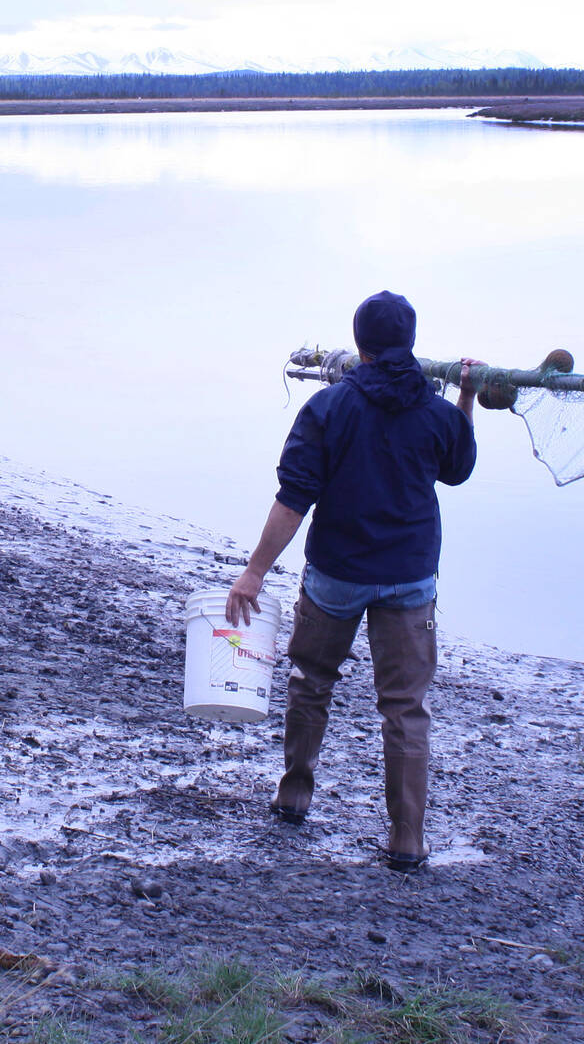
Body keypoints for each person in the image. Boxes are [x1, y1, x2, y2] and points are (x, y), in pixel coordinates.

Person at [225, 290, 478, 872]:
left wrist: (254, 572)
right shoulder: (436, 412)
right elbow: (458, 468)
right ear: (410, 344)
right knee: (406, 708)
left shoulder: (328, 408)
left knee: (311, 680)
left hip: (336, 574)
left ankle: (294, 796)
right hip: (409, 579)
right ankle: (407, 839)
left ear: (359, 346)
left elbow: (295, 497)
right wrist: (464, 396)